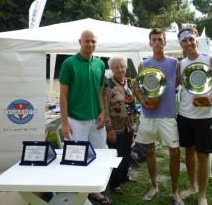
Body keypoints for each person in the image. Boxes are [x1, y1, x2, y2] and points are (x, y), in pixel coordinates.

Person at [59, 30, 112, 205]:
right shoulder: (69, 63)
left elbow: (99, 91)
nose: (90, 44)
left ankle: (94, 191)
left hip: (96, 120)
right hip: (75, 120)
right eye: (87, 41)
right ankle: (77, 195)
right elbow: (63, 96)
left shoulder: (100, 64)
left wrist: (103, 111)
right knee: (75, 158)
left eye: (93, 41)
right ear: (79, 41)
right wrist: (65, 123)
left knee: (99, 155)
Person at [177, 27, 212, 205]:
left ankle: (202, 195)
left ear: (196, 40)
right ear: (181, 44)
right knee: (189, 153)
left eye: (191, 39)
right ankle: (192, 187)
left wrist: (211, 101)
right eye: (184, 41)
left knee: (203, 155)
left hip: (205, 117)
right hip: (184, 115)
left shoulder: (210, 60)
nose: (188, 43)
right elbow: (171, 85)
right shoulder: (180, 64)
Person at [133, 28, 183, 205]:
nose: (157, 42)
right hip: (148, 115)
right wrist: (143, 100)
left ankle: (175, 192)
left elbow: (180, 81)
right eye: (154, 40)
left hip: (168, 115)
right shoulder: (144, 64)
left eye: (160, 39)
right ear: (150, 43)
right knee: (150, 151)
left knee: (175, 152)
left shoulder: (174, 62)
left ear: (165, 42)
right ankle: (154, 186)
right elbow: (136, 88)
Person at [105, 57, 137, 195]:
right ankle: (114, 183)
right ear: (112, 69)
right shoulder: (108, 85)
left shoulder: (128, 82)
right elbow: (105, 108)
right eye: (116, 67)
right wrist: (109, 128)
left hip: (129, 125)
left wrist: (134, 125)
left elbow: (133, 104)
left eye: (122, 66)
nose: (120, 69)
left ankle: (124, 176)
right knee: (116, 154)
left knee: (126, 152)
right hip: (116, 126)